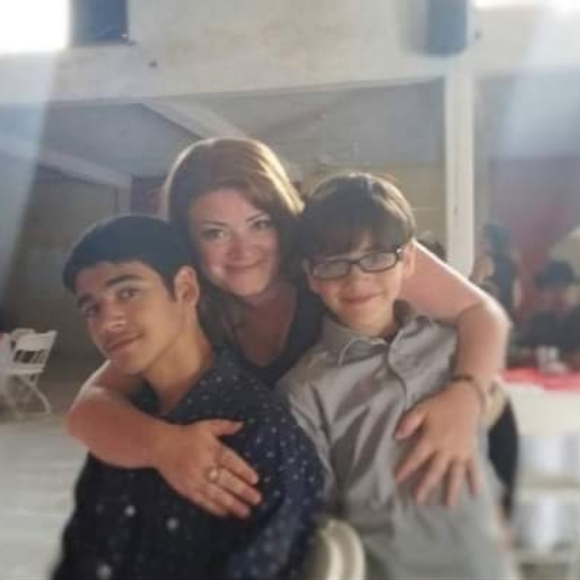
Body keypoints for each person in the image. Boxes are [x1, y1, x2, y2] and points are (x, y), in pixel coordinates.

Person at [66, 137, 510, 520]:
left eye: (259, 224)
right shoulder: (191, 304)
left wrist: (466, 394)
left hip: (386, 488)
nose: (243, 250)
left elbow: (482, 313)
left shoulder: (337, 259)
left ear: (284, 217)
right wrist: (163, 446)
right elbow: (88, 408)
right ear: (187, 243)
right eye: (215, 233)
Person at [53, 215, 323, 580]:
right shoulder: (122, 425)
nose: (106, 322)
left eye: (127, 293)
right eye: (91, 309)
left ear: (185, 288)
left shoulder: (259, 432)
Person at [279, 173, 514, 579]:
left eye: (377, 257)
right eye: (334, 263)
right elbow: (321, 519)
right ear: (311, 274)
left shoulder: (456, 348)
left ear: (408, 260)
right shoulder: (304, 390)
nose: (357, 279)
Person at [519, 260, 580, 353]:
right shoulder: (539, 320)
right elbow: (524, 349)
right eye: (547, 289)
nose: (559, 293)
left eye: (563, 287)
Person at [471, 223, 522, 319]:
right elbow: (516, 300)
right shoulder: (511, 263)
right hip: (507, 318)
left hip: (488, 318)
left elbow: (472, 293)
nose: (479, 240)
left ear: (493, 240)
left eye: (484, 237)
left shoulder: (483, 261)